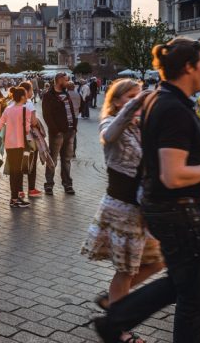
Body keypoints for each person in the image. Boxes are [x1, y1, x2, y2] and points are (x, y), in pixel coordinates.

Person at [96, 37, 200, 343]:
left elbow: (160, 154)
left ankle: (115, 319)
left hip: (165, 208)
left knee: (184, 283)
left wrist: (199, 158)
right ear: (187, 67)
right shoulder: (173, 107)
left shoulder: (160, 99)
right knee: (196, 298)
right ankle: (115, 319)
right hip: (179, 210)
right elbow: (172, 175)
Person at [82, 79, 165, 314]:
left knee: (157, 260)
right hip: (122, 206)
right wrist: (136, 103)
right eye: (129, 97)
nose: (136, 101)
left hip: (142, 207)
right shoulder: (109, 122)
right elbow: (109, 136)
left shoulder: (141, 126)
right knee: (126, 270)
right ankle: (117, 322)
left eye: (137, 96)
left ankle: (113, 299)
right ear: (117, 101)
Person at [0, 86, 32, 208]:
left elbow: (0, 123)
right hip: (20, 143)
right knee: (18, 171)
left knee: (13, 171)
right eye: (26, 94)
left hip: (9, 144)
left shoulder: (8, 109)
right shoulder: (25, 110)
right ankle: (15, 199)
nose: (27, 96)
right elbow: (27, 129)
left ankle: (14, 198)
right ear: (22, 96)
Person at [42, 72, 78, 195]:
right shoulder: (49, 95)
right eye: (66, 80)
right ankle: (49, 184)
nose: (68, 82)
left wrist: (74, 128)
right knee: (53, 160)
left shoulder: (66, 94)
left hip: (70, 131)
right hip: (57, 133)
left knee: (66, 160)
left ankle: (67, 184)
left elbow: (71, 111)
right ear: (59, 80)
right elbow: (47, 115)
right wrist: (55, 131)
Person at [19, 81, 43, 199]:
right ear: (26, 91)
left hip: (17, 140)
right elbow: (33, 122)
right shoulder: (29, 104)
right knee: (31, 164)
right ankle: (31, 189)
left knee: (18, 165)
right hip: (29, 140)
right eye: (31, 90)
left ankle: (19, 190)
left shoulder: (13, 103)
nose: (32, 92)